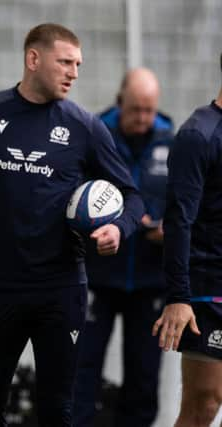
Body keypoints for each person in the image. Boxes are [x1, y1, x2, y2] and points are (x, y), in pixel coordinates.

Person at [0, 23, 144, 426]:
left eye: (78, 64)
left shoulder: (85, 126)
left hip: (60, 290)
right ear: (33, 59)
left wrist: (118, 229)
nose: (74, 72)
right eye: (65, 62)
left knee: (59, 410)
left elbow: (132, 195)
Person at [73, 68, 174, 427]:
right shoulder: (95, 134)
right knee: (81, 368)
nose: (143, 119)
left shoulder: (171, 140)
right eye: (135, 110)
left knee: (145, 374)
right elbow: (74, 199)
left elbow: (185, 203)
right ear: (120, 101)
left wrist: (168, 229)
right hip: (98, 276)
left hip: (150, 279)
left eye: (149, 110)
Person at [152, 52, 222, 427]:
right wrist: (178, 297)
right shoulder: (200, 134)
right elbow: (178, 220)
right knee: (203, 405)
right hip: (209, 294)